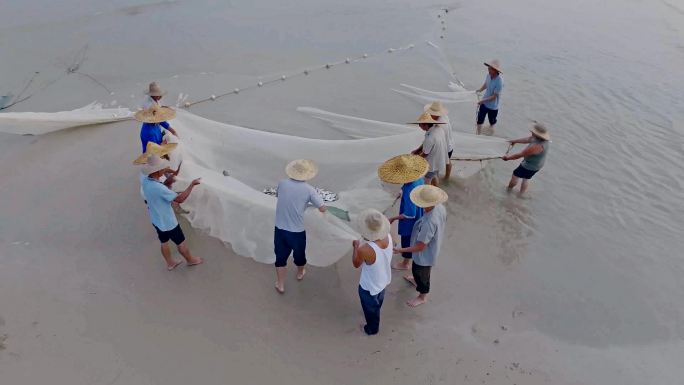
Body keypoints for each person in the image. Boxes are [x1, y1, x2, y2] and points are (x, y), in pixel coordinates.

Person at [140, 155, 203, 270]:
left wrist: (167, 182)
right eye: (162, 168)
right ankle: (190, 260)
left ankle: (170, 263)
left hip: (156, 220)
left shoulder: (146, 181)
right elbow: (179, 199)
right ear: (157, 170)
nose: (164, 170)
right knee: (181, 242)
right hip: (168, 222)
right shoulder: (159, 188)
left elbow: (158, 193)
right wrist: (191, 185)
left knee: (163, 242)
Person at [274, 159, 327, 294]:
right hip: (296, 231)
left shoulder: (282, 183)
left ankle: (280, 284)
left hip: (280, 229)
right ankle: (300, 271)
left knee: (280, 258)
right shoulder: (309, 190)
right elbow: (322, 208)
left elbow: (279, 196)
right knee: (299, 255)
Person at [393, 185, 448, 307]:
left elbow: (420, 247)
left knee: (421, 273)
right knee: (419, 271)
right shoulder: (440, 207)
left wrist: (400, 249)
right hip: (433, 246)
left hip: (425, 254)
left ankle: (422, 296)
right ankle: (415, 280)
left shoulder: (429, 223)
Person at [377, 154, 428, 270]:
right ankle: (405, 256)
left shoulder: (410, 188)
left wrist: (393, 218)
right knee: (411, 239)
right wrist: (401, 192)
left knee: (408, 240)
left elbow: (410, 214)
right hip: (420, 212)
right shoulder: (419, 177)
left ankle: (405, 263)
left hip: (411, 222)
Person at [352, 209, 393, 336]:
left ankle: (371, 329)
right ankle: (375, 310)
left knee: (370, 306)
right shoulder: (388, 236)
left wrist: (355, 248)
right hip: (383, 279)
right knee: (378, 299)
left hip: (369, 285)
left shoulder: (366, 249)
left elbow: (356, 264)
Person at [502, 122, 550, 195]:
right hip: (538, 164)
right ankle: (521, 194)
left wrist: (507, 158)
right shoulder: (539, 139)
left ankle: (509, 190)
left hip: (529, 166)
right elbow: (527, 139)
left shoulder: (537, 146)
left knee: (515, 175)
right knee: (526, 178)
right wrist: (515, 141)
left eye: (533, 131)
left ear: (537, 134)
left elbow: (519, 155)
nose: (531, 131)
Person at [410, 112, 448, 187]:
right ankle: (437, 189)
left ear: (425, 124)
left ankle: (429, 195)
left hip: (432, 163)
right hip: (440, 160)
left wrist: (414, 160)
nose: (419, 126)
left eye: (419, 124)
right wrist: (418, 150)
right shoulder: (438, 128)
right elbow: (426, 143)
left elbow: (425, 154)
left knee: (427, 180)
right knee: (434, 175)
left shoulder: (430, 137)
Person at [424, 101, 455, 180]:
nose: (429, 115)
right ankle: (447, 178)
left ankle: (439, 180)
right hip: (450, 144)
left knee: (435, 169)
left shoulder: (439, 126)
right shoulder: (445, 116)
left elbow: (436, 142)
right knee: (448, 160)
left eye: (431, 113)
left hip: (445, 147)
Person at [475, 59, 503, 136]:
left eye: (490, 68)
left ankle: (491, 132)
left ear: (495, 70)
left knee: (492, 121)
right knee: (480, 119)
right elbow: (486, 84)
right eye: (488, 68)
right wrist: (480, 90)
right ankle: (478, 134)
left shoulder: (499, 81)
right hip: (484, 103)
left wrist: (483, 100)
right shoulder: (488, 75)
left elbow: (494, 96)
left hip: (493, 107)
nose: (488, 69)